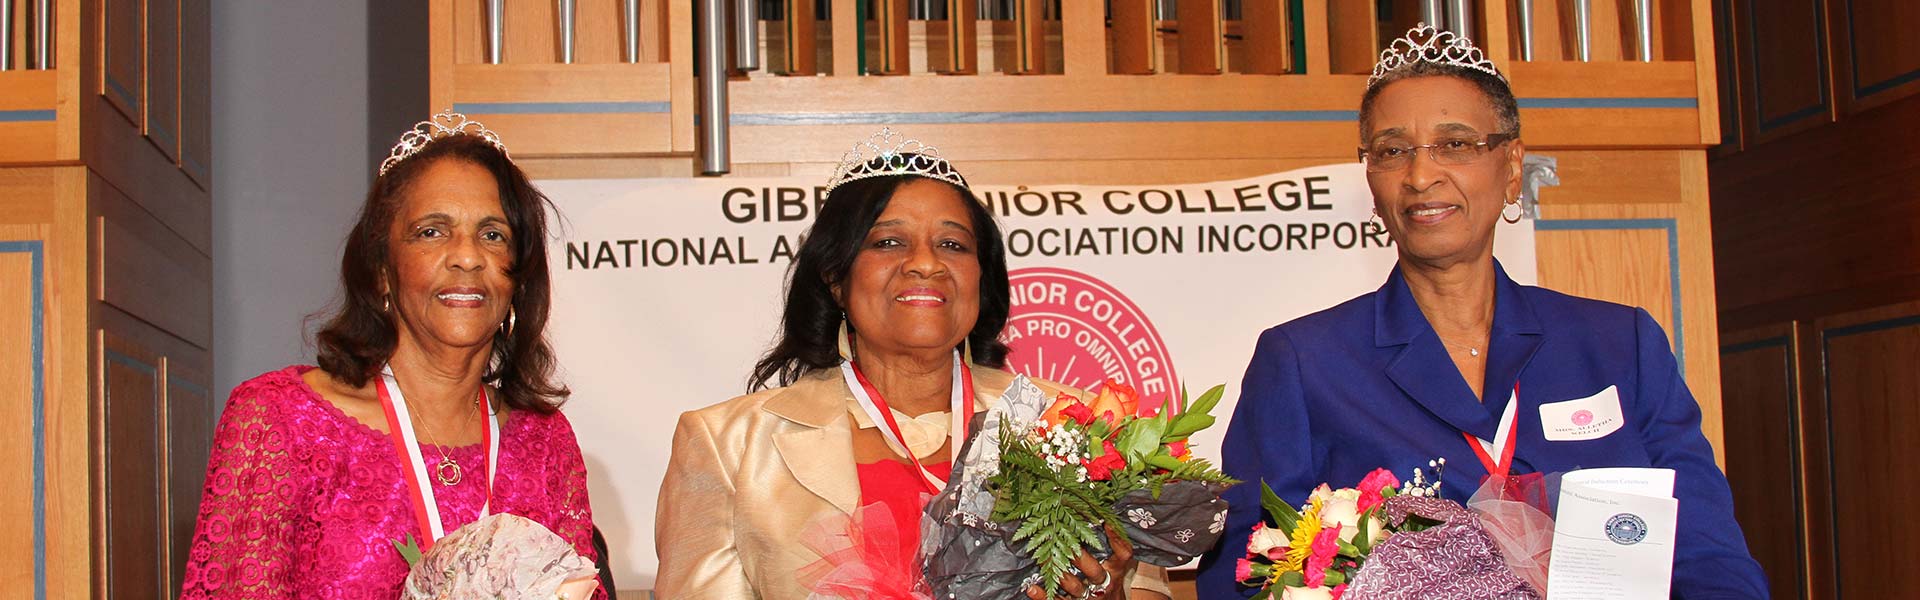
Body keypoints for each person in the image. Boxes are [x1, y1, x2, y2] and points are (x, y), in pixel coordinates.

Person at [1195, 25, 1768, 598]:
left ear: (1513, 166)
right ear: (1370, 178)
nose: (1421, 176)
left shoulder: (1620, 345)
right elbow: (1243, 575)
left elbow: (1706, 553)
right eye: (1393, 151)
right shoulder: (1305, 363)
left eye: (1456, 144)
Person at [654, 129, 1169, 600]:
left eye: (952, 244)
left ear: (979, 279)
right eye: (888, 242)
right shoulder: (727, 446)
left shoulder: (1078, 424)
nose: (926, 263)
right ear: (836, 276)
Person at [178, 114, 603, 599]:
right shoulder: (281, 419)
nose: (467, 256)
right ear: (382, 270)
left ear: (517, 279)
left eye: (493, 234)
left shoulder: (544, 443)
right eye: (432, 232)